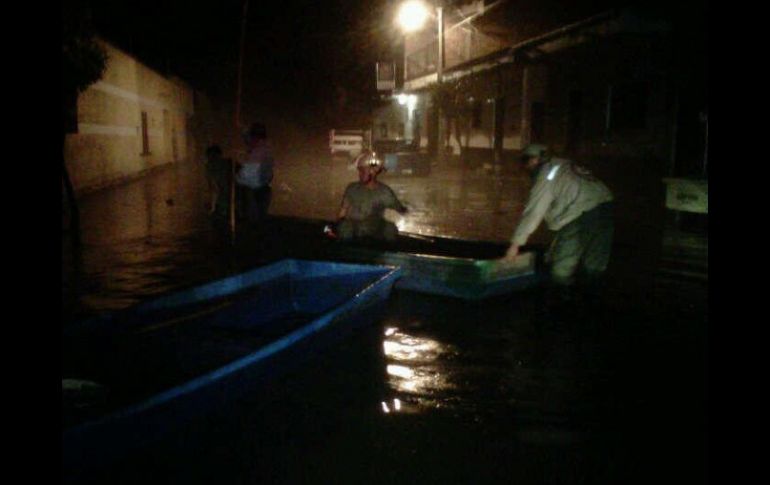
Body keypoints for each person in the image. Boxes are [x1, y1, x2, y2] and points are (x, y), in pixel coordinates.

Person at [503, 144, 614, 287]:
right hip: (606, 208)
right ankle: (591, 300)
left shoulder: (547, 174)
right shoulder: (564, 165)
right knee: (594, 267)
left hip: (582, 213)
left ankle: (560, 302)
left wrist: (515, 245)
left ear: (535, 160)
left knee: (561, 271)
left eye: (526, 161)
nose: (526, 166)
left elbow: (534, 212)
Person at [336, 150, 408, 242]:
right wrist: (338, 226)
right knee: (344, 227)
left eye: (362, 171)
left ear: (373, 172)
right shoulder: (352, 188)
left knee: (390, 229)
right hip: (354, 230)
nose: (360, 174)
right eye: (359, 171)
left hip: (374, 230)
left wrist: (409, 210)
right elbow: (342, 212)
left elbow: (401, 209)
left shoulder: (384, 192)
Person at [235, 122, 274, 225]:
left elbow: (256, 171)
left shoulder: (262, 148)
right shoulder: (262, 147)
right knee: (257, 216)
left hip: (258, 186)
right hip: (259, 185)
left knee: (256, 216)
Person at [204, 144, 231, 222]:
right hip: (224, 200)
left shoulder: (210, 166)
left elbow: (214, 188)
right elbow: (213, 188)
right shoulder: (226, 163)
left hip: (226, 199)